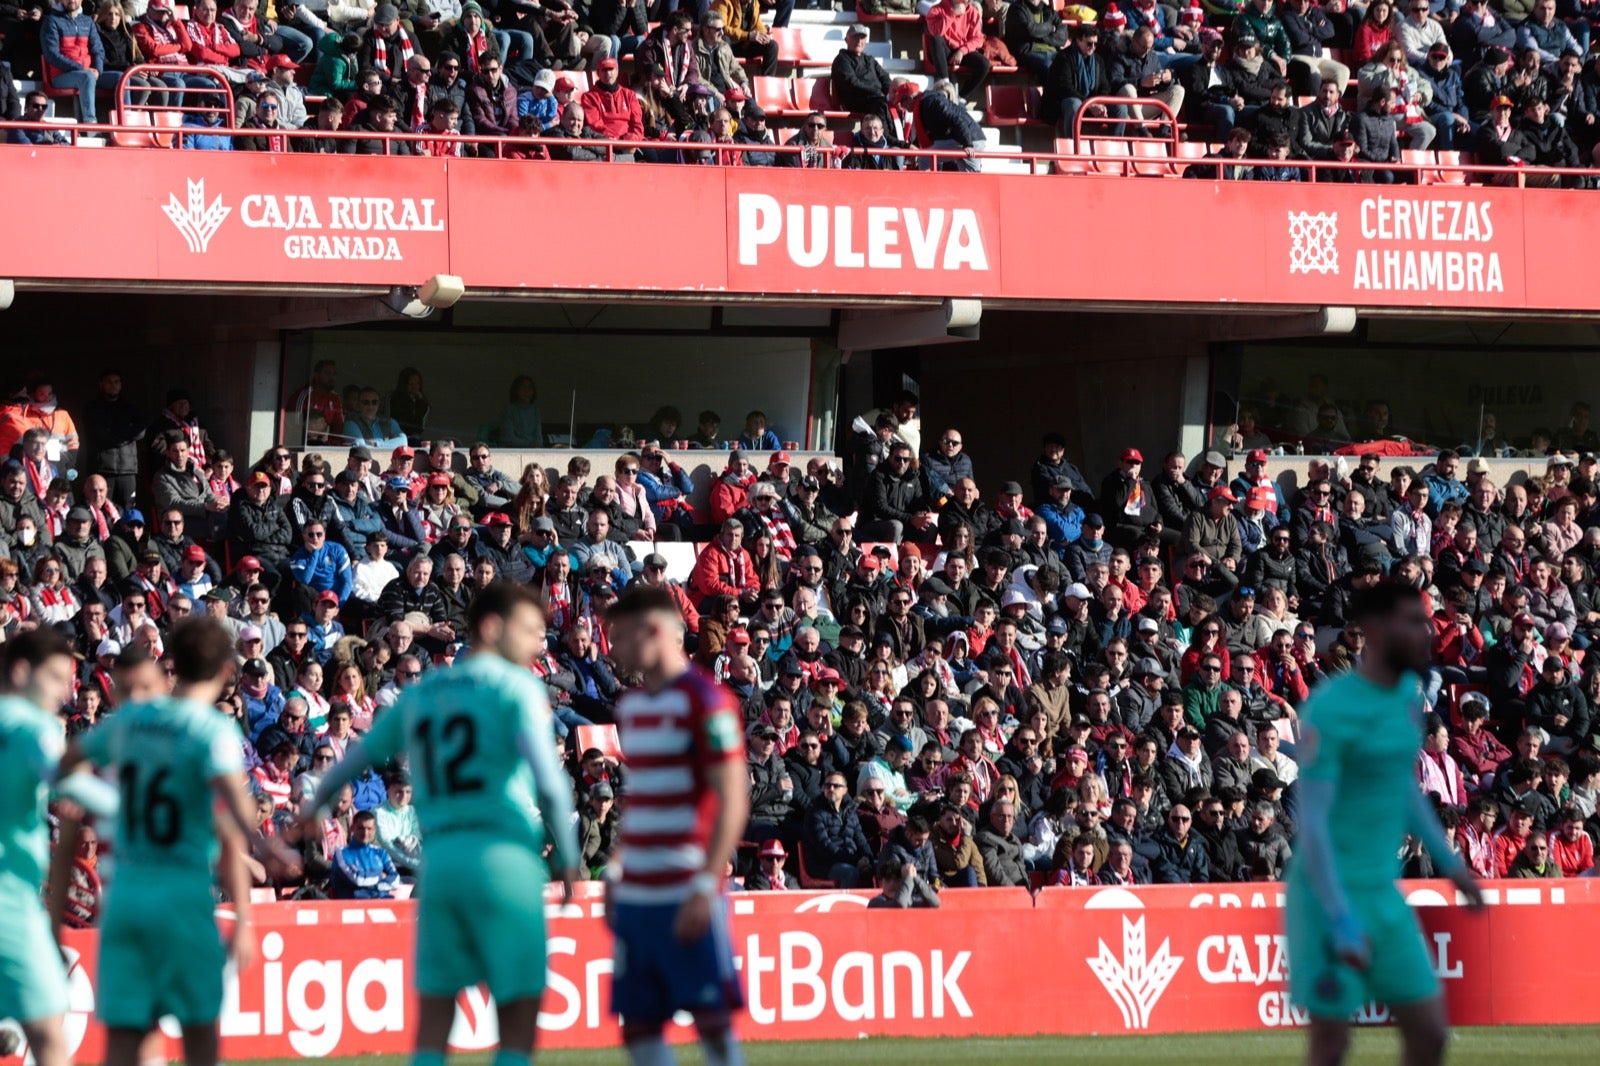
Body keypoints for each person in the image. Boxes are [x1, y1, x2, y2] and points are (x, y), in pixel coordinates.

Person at [304, 582, 579, 1066]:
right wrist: (570, 863)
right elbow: (553, 788)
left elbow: (348, 764)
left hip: (442, 865)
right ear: (493, 629)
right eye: (530, 631)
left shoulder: (425, 692)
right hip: (504, 857)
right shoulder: (516, 687)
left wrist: (308, 814)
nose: (539, 643)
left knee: (435, 1018)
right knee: (517, 1012)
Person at [50, 617, 296, 1066]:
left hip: (124, 900)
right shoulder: (212, 730)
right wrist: (266, 848)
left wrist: (97, 798)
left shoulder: (128, 722)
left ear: (173, 666)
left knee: (128, 1040)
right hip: (182, 899)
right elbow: (230, 810)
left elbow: (65, 766)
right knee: (199, 1033)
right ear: (227, 672)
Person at [1286, 581, 1484, 1066]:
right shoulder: (1331, 708)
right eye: (1413, 621)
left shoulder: (1403, 702)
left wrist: (1452, 866)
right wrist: (1340, 917)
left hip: (1380, 894)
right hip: (1326, 898)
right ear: (1374, 629)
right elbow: (1312, 824)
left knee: (1430, 1035)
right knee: (1330, 1045)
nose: (1425, 632)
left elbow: (1405, 791)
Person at [604, 585, 749, 1066]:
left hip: (687, 883)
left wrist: (708, 881)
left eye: (620, 637)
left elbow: (732, 795)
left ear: (652, 632)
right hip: (638, 890)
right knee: (639, 1025)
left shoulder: (707, 699)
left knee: (711, 1021)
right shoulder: (633, 707)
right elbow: (641, 800)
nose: (613, 649)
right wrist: (615, 869)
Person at [0, 630, 83, 1066]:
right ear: (20, 672)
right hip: (9, 900)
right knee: (50, 1033)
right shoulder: (34, 726)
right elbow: (67, 779)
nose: (66, 691)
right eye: (54, 677)